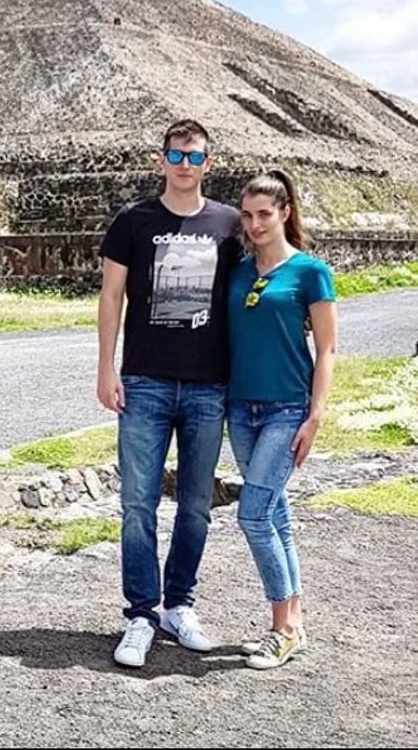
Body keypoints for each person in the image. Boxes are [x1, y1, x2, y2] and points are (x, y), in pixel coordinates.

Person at [96, 118, 242, 668]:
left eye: (196, 157)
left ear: (209, 162)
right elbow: (112, 297)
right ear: (161, 160)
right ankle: (140, 612)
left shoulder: (229, 223)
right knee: (137, 503)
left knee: (197, 506)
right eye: (177, 155)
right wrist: (106, 369)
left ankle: (180, 605)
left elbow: (254, 288)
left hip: (208, 384)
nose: (185, 165)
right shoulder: (133, 221)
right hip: (145, 381)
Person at [227, 170, 337, 670]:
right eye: (247, 216)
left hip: (287, 408)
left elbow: (328, 347)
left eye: (264, 215)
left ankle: (282, 628)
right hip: (240, 409)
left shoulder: (311, 272)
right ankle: (294, 619)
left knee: (252, 514)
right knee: (275, 513)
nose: (254, 225)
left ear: (285, 213)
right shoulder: (239, 272)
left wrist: (315, 416)